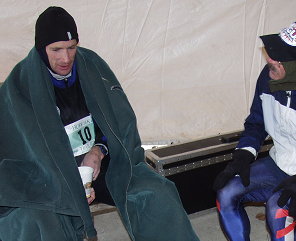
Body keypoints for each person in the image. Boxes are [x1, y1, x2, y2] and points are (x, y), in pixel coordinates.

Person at [0, 6, 200, 241]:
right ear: (40, 48)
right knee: (35, 220)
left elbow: (116, 123)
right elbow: (22, 152)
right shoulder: (20, 85)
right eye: (56, 50)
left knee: (156, 193)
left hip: (102, 165)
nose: (65, 58)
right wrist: (70, 179)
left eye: (71, 47)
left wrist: (99, 150)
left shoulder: (92, 65)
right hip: (53, 175)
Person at [213, 21, 296, 241]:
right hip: (281, 161)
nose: (269, 60)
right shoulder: (267, 78)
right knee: (226, 191)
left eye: (280, 57)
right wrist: (244, 153)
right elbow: (257, 122)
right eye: (272, 52)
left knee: (278, 210)